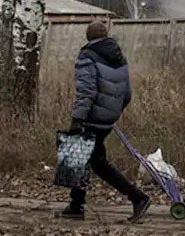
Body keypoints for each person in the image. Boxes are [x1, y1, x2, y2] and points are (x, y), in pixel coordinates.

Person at [56, 20, 150, 222]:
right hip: (108, 118)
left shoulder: (87, 56)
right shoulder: (119, 58)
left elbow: (86, 91)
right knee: (83, 158)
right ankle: (75, 205)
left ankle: (138, 198)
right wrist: (113, 113)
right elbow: (127, 94)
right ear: (106, 35)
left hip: (91, 118)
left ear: (88, 37)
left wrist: (77, 118)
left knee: (97, 163)